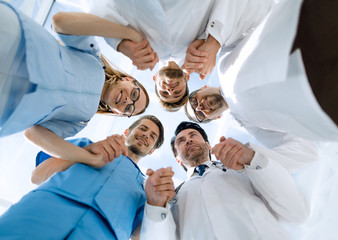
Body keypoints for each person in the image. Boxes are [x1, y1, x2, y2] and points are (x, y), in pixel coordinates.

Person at [0, 2, 151, 164]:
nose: (128, 101)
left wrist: (91, 159)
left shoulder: (79, 121)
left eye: (129, 109)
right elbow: (60, 21)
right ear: (128, 80)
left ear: (118, 113)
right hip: (12, 38)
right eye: (134, 94)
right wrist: (127, 34)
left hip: (6, 103)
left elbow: (33, 133)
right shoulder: (93, 57)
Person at [0, 115, 175, 240]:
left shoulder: (146, 190)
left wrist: (155, 202)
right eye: (143, 128)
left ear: (152, 150)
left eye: (153, 136)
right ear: (127, 131)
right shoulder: (87, 145)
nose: (146, 134)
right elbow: (37, 176)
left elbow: (136, 236)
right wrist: (86, 153)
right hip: (41, 211)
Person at [185, 0, 338, 141]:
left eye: (193, 100)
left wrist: (213, 40)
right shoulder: (254, 129)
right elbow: (304, 150)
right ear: (215, 118)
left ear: (202, 87)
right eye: (199, 114)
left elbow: (248, 7)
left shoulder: (224, 56)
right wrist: (252, 158)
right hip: (321, 104)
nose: (199, 107)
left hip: (302, 33)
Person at [140, 121, 315, 239]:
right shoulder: (170, 200)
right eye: (181, 141)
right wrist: (156, 207)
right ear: (178, 159)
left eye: (193, 135)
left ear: (208, 145)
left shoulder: (246, 170)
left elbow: (296, 212)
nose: (188, 140)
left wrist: (254, 161)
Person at [88, 0, 275, 110]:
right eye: (176, 92)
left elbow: (96, 5)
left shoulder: (136, 49)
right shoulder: (208, 43)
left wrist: (120, 43)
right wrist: (214, 40)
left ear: (155, 79)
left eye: (164, 92)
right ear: (186, 78)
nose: (170, 89)